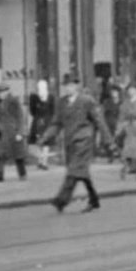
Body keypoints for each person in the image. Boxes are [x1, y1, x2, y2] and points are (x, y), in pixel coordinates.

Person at [41, 74, 112, 213]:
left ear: (77, 86)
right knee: (80, 172)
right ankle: (94, 199)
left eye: (71, 86)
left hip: (84, 141)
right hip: (69, 142)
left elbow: (99, 121)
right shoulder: (61, 102)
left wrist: (108, 140)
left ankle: (61, 200)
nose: (68, 88)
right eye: (66, 86)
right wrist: (45, 136)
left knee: (74, 170)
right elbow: (56, 123)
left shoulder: (87, 101)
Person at [0, 83, 29, 181]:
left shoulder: (13, 101)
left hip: (13, 132)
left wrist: (20, 132)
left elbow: (20, 117)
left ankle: (22, 174)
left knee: (18, 155)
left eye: (1, 92)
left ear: (6, 91)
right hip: (2, 132)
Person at [28, 79, 55, 170]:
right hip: (44, 120)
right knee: (42, 142)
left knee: (42, 142)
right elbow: (53, 110)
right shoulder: (48, 96)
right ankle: (43, 162)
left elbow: (32, 110)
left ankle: (42, 162)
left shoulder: (35, 96)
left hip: (40, 120)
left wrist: (37, 116)